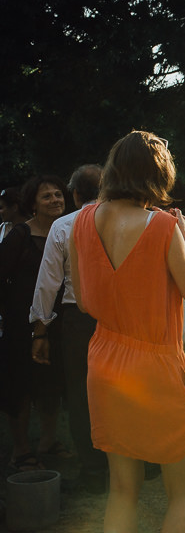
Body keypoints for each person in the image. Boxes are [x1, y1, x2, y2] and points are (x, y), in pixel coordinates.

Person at [71, 130, 185, 532]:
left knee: (122, 490)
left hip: (105, 362)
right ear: (158, 174)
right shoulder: (164, 226)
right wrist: (182, 233)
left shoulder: (81, 221)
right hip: (158, 366)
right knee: (183, 492)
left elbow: (83, 301)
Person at [30, 164, 107, 493]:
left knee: (80, 394)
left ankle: (93, 471)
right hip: (122, 316)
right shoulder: (126, 222)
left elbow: (47, 284)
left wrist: (40, 330)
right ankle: (139, 462)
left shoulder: (63, 226)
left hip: (78, 319)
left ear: (75, 194)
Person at [0, 175, 69, 472]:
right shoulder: (19, 236)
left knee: (51, 384)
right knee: (22, 387)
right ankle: (21, 451)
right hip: (21, 324)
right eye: (46, 196)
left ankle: (48, 441)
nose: (55, 200)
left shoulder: (66, 232)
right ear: (32, 204)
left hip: (57, 323)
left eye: (58, 195)